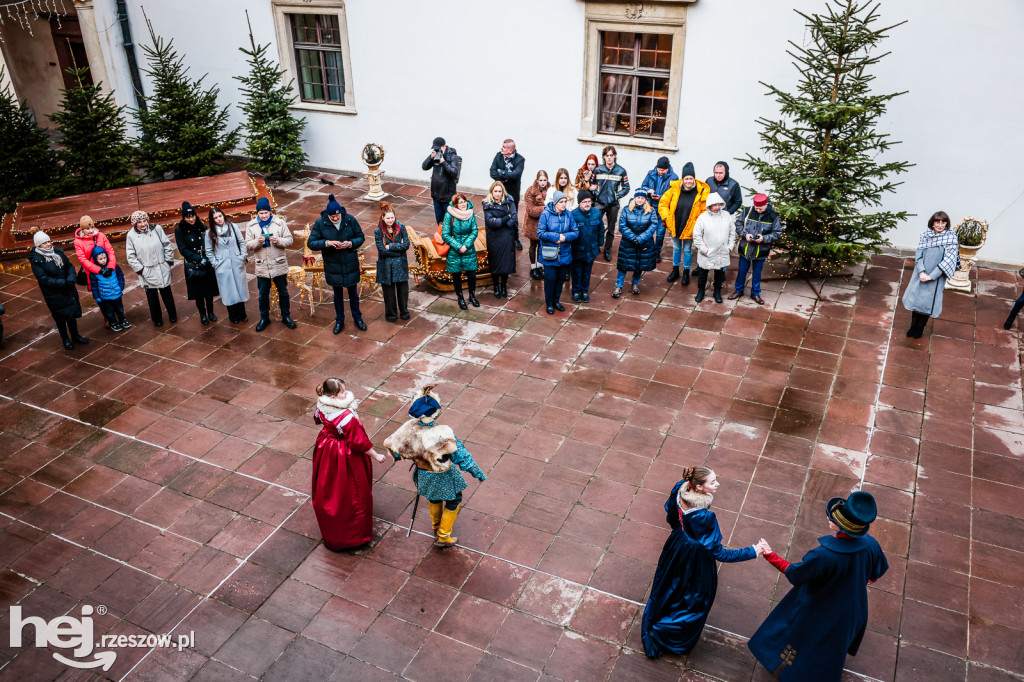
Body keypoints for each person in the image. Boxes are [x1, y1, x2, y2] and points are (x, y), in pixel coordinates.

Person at [748, 491, 888, 681]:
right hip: (854, 609)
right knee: (831, 650)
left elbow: (796, 573)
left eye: (832, 517)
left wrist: (770, 554)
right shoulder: (871, 544)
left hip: (821, 607)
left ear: (841, 526)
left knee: (803, 637)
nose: (828, 517)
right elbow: (876, 572)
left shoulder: (824, 555)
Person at [642, 466, 768, 659]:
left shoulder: (680, 488)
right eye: (712, 482)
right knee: (695, 600)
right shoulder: (704, 516)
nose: (718, 484)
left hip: (677, 545)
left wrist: (683, 535)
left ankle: (661, 619)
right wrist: (753, 551)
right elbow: (720, 554)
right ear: (699, 488)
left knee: (669, 585)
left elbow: (671, 516)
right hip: (695, 557)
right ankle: (668, 634)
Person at [384, 386, 487, 547]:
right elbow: (462, 456)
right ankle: (443, 536)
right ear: (435, 412)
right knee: (455, 500)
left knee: (434, 498)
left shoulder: (409, 427)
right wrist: (479, 474)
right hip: (443, 474)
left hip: (423, 473)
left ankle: (435, 528)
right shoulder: (443, 432)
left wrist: (414, 454)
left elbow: (396, 450)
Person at [312, 377, 388, 551]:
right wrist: (376, 455)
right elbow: (359, 442)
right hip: (344, 454)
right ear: (333, 397)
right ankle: (354, 537)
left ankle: (333, 533)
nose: (346, 394)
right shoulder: (345, 416)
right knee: (354, 493)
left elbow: (317, 420)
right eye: (342, 392)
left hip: (327, 448)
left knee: (329, 489)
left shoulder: (322, 405)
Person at [308, 194, 366, 333]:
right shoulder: (320, 223)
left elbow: (360, 237)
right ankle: (339, 320)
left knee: (353, 294)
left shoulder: (350, 219)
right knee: (338, 295)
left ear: (340, 212)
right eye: (332, 216)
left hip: (350, 262)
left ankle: (358, 318)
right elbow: (311, 243)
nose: (335, 218)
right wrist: (327, 243)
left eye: (337, 215)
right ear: (328, 215)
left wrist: (350, 243)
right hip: (333, 264)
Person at [902, 211, 959, 339]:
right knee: (916, 303)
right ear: (932, 223)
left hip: (935, 278)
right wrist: (921, 271)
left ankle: (920, 329)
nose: (940, 225)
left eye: (943, 222)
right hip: (920, 274)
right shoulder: (925, 235)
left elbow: (949, 260)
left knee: (926, 305)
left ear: (946, 224)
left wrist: (931, 276)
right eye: (937, 222)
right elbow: (919, 254)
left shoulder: (951, 239)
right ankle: (913, 326)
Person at [28, 230, 89, 350]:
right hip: (54, 293)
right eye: (44, 243)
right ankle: (65, 339)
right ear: (38, 245)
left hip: (68, 288)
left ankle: (75, 335)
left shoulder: (58, 252)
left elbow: (69, 266)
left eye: (48, 241)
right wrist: (63, 283)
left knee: (71, 314)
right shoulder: (37, 260)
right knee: (60, 318)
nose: (48, 245)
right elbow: (44, 279)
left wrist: (71, 278)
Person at [245, 196, 296, 332]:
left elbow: (289, 240)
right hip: (262, 265)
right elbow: (248, 245)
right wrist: (258, 241)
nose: (263, 215)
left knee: (283, 292)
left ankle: (286, 316)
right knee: (262, 295)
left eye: (265, 213)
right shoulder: (251, 226)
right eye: (261, 213)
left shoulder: (279, 223)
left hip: (278, 263)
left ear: (270, 212)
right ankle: (264, 318)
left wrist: (277, 240)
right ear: (257, 213)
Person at [659, 162, 709, 285]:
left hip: (690, 227)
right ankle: (675, 270)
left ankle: (686, 271)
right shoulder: (674, 190)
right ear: (683, 179)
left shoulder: (700, 192)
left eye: (691, 179)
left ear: (694, 179)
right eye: (686, 178)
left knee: (687, 249)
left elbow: (704, 211)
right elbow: (663, 203)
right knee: (676, 248)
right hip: (676, 224)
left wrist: (698, 225)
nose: (688, 181)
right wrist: (666, 217)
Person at [125, 210, 178, 327]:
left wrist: (168, 261)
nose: (143, 224)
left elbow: (167, 245)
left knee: (167, 293)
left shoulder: (157, 229)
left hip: (161, 266)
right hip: (147, 270)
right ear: (135, 223)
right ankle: (157, 319)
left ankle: (173, 315)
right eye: (139, 222)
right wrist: (142, 270)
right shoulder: (131, 235)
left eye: (144, 221)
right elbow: (131, 256)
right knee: (152, 296)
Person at [729, 193, 782, 305]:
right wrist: (745, 234)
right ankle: (738, 291)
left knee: (757, 272)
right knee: (742, 271)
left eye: (760, 208)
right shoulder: (747, 211)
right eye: (756, 208)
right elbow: (738, 224)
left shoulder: (773, 216)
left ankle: (755, 293)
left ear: (766, 204)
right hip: (745, 248)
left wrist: (764, 238)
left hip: (761, 250)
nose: (757, 210)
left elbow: (777, 233)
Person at [174, 201, 219, 325]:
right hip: (193, 264)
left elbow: (209, 243)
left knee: (209, 291)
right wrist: (199, 259)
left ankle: (211, 312)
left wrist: (206, 257)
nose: (191, 219)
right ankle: (203, 314)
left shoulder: (202, 227)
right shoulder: (179, 231)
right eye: (188, 217)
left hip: (206, 262)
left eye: (192, 216)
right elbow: (183, 249)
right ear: (184, 218)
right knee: (198, 293)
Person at [205, 206, 249, 324]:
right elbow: (208, 251)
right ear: (212, 219)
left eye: (220, 216)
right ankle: (233, 315)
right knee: (228, 291)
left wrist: (242, 256)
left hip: (236, 262)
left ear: (223, 215)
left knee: (240, 288)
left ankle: (242, 313)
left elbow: (241, 242)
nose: (219, 219)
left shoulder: (233, 227)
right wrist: (216, 263)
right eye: (215, 218)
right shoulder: (209, 233)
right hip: (222, 266)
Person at [537, 190, 578, 314]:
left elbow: (575, 232)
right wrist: (556, 237)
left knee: (560, 280)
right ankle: (549, 304)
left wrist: (565, 237)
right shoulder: (545, 214)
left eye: (565, 202)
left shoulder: (569, 215)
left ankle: (556, 301)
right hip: (549, 255)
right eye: (561, 202)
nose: (564, 204)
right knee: (550, 280)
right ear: (555, 203)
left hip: (564, 254)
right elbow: (540, 233)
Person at [692, 192, 736, 304]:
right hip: (707, 252)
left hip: (722, 251)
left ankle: (717, 292)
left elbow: (732, 232)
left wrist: (730, 247)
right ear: (709, 205)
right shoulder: (703, 218)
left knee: (719, 273)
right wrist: (704, 250)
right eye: (714, 205)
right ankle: (701, 291)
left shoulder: (726, 215)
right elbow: (697, 236)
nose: (717, 207)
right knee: (703, 273)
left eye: (719, 205)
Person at [613, 189, 657, 298]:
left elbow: (653, 226)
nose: (640, 200)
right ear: (634, 198)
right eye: (638, 197)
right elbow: (622, 226)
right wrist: (633, 238)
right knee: (623, 265)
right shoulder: (626, 210)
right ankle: (618, 285)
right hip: (628, 243)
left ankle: (635, 283)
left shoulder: (651, 211)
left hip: (644, 243)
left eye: (642, 198)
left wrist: (641, 238)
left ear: (645, 199)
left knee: (639, 265)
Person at [374, 201, 411, 322]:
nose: (390, 220)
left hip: (400, 265)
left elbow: (406, 245)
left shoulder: (401, 227)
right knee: (389, 294)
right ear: (383, 218)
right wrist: (398, 248)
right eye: (388, 218)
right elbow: (382, 250)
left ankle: (404, 312)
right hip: (386, 266)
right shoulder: (378, 232)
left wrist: (391, 247)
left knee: (403, 292)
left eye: (392, 218)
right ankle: (391, 315)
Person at [442, 193, 480, 310]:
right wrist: (458, 246)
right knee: (457, 275)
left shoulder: (470, 213)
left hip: (468, 250)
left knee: (472, 274)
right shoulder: (449, 215)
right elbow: (445, 234)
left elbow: (474, 231)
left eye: (464, 202)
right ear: (455, 205)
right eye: (460, 203)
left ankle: (472, 295)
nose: (463, 204)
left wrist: (466, 245)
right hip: (455, 251)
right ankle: (460, 297)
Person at [482, 181, 517, 299]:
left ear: (503, 192)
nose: (497, 194)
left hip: (507, 235)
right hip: (494, 237)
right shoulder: (487, 204)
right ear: (492, 192)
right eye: (495, 191)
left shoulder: (509, 201)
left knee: (506, 262)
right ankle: (496, 286)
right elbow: (492, 222)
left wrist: (502, 221)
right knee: (495, 262)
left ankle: (503, 286)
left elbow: (514, 218)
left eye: (499, 191)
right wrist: (506, 217)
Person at [488, 139, 526, 250]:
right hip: (499, 191)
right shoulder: (498, 156)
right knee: (498, 213)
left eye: (504, 147)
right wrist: (505, 178)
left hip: (512, 192)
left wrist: (501, 173)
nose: (501, 148)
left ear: (510, 150)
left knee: (513, 215)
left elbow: (516, 175)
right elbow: (492, 172)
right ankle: (499, 236)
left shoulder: (520, 159)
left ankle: (515, 238)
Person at [595, 146, 630, 261]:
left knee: (611, 228)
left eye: (611, 155)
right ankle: (596, 246)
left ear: (614, 156)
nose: (609, 158)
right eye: (607, 156)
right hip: (599, 203)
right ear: (604, 157)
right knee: (595, 225)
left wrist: (617, 195)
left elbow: (626, 187)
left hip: (613, 204)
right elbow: (592, 185)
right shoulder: (598, 170)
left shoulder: (621, 170)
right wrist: (597, 193)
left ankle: (607, 250)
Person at [641, 157, 678, 263]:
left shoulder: (674, 177)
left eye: (663, 170)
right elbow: (643, 185)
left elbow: (674, 195)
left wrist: (661, 197)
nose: (660, 172)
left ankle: (656, 252)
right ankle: (649, 249)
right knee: (648, 230)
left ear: (667, 168)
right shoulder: (651, 173)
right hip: (650, 207)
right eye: (659, 169)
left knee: (660, 232)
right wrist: (648, 190)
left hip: (663, 208)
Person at [570, 189, 603, 303]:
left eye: (589, 201)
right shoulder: (573, 215)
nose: (587, 204)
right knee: (576, 272)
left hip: (591, 250)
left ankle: (584, 291)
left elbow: (600, 229)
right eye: (584, 202)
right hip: (577, 250)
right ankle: (575, 291)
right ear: (579, 203)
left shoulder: (596, 213)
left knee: (587, 272)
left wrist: (599, 243)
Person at [422, 136, 462, 225]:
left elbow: (454, 173)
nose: (437, 150)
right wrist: (430, 157)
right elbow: (424, 167)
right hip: (436, 196)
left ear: (444, 146)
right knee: (439, 221)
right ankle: (440, 238)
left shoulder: (452, 156)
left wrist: (443, 162)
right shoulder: (435, 155)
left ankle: (448, 238)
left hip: (447, 197)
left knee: (449, 222)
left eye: (438, 148)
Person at [88, 247, 129, 331]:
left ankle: (122, 319)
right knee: (109, 311)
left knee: (120, 308)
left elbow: (120, 276)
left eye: (105, 258)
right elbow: (94, 285)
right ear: (96, 259)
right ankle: (113, 322)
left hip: (117, 293)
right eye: (100, 259)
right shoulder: (94, 272)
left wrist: (120, 286)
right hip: (105, 296)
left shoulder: (114, 266)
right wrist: (97, 297)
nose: (103, 260)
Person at [73, 215, 116, 293]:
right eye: (87, 228)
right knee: (99, 292)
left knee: (112, 289)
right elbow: (83, 260)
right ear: (82, 229)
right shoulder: (78, 242)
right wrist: (98, 270)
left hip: (106, 267)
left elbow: (110, 251)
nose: (91, 230)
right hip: (93, 272)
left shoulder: (101, 236)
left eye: (92, 227)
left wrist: (110, 267)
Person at [523, 170, 549, 280]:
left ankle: (540, 265)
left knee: (542, 245)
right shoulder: (530, 191)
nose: (543, 182)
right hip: (533, 224)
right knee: (533, 245)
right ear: (537, 180)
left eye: (544, 180)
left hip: (545, 224)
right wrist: (544, 208)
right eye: (541, 180)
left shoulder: (550, 190)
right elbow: (530, 210)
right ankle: (533, 267)